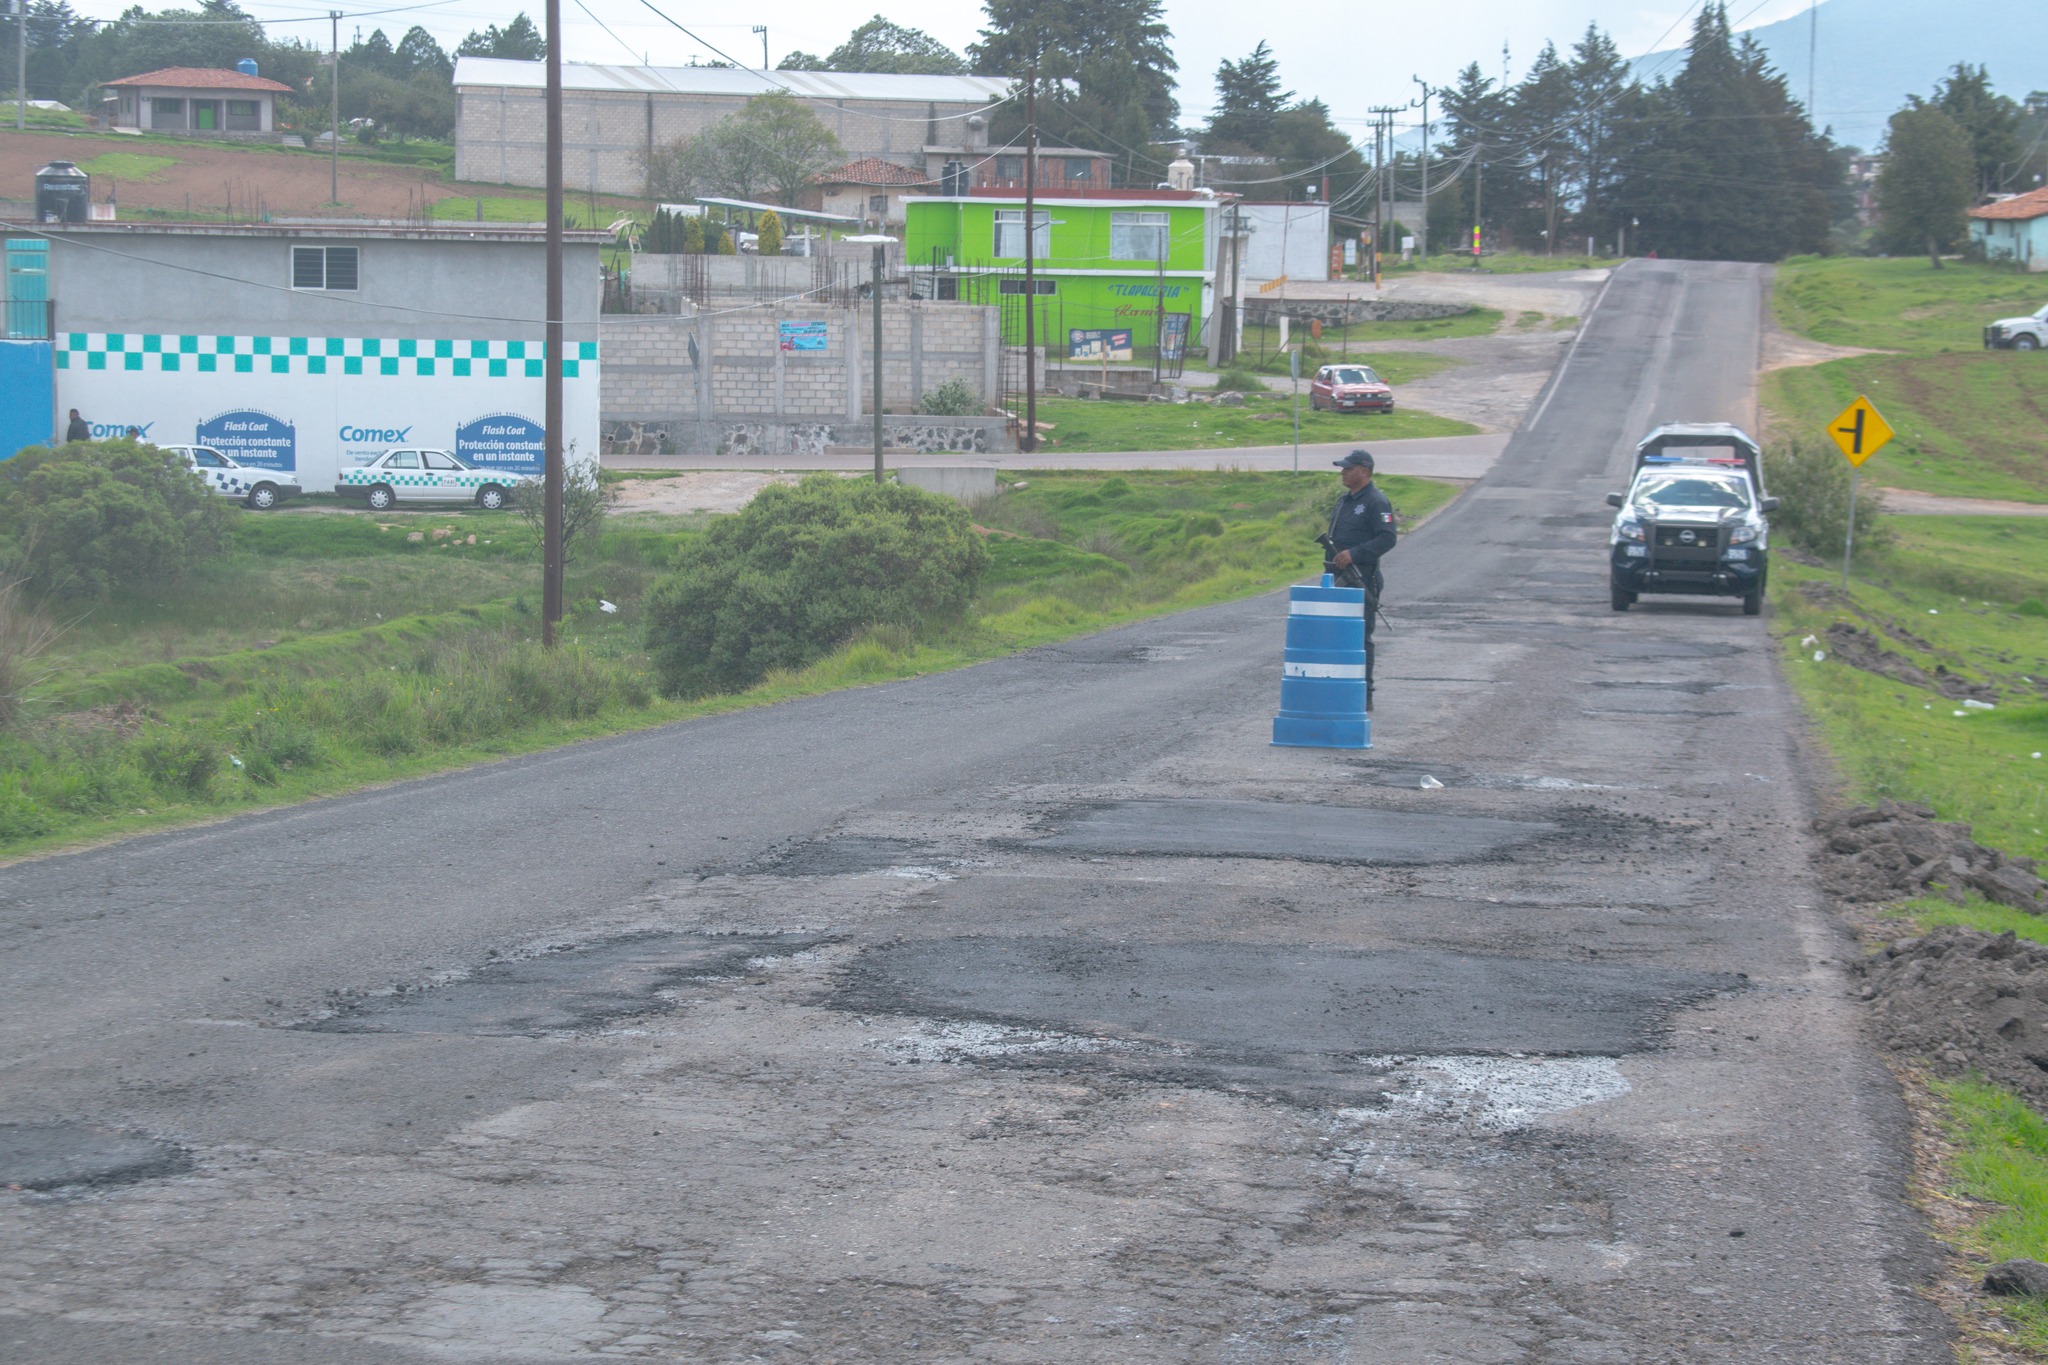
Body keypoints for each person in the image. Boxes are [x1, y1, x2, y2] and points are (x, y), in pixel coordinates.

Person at [1325, 449, 1398, 705]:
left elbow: (1387, 537)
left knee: (1359, 637)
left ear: (1364, 472)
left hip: (1361, 578)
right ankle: (1339, 687)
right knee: (1335, 636)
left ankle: (1363, 694)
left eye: (1348, 468)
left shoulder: (1376, 501)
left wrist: (1355, 554)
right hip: (1336, 578)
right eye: (1343, 468)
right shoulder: (1345, 501)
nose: (1343, 472)